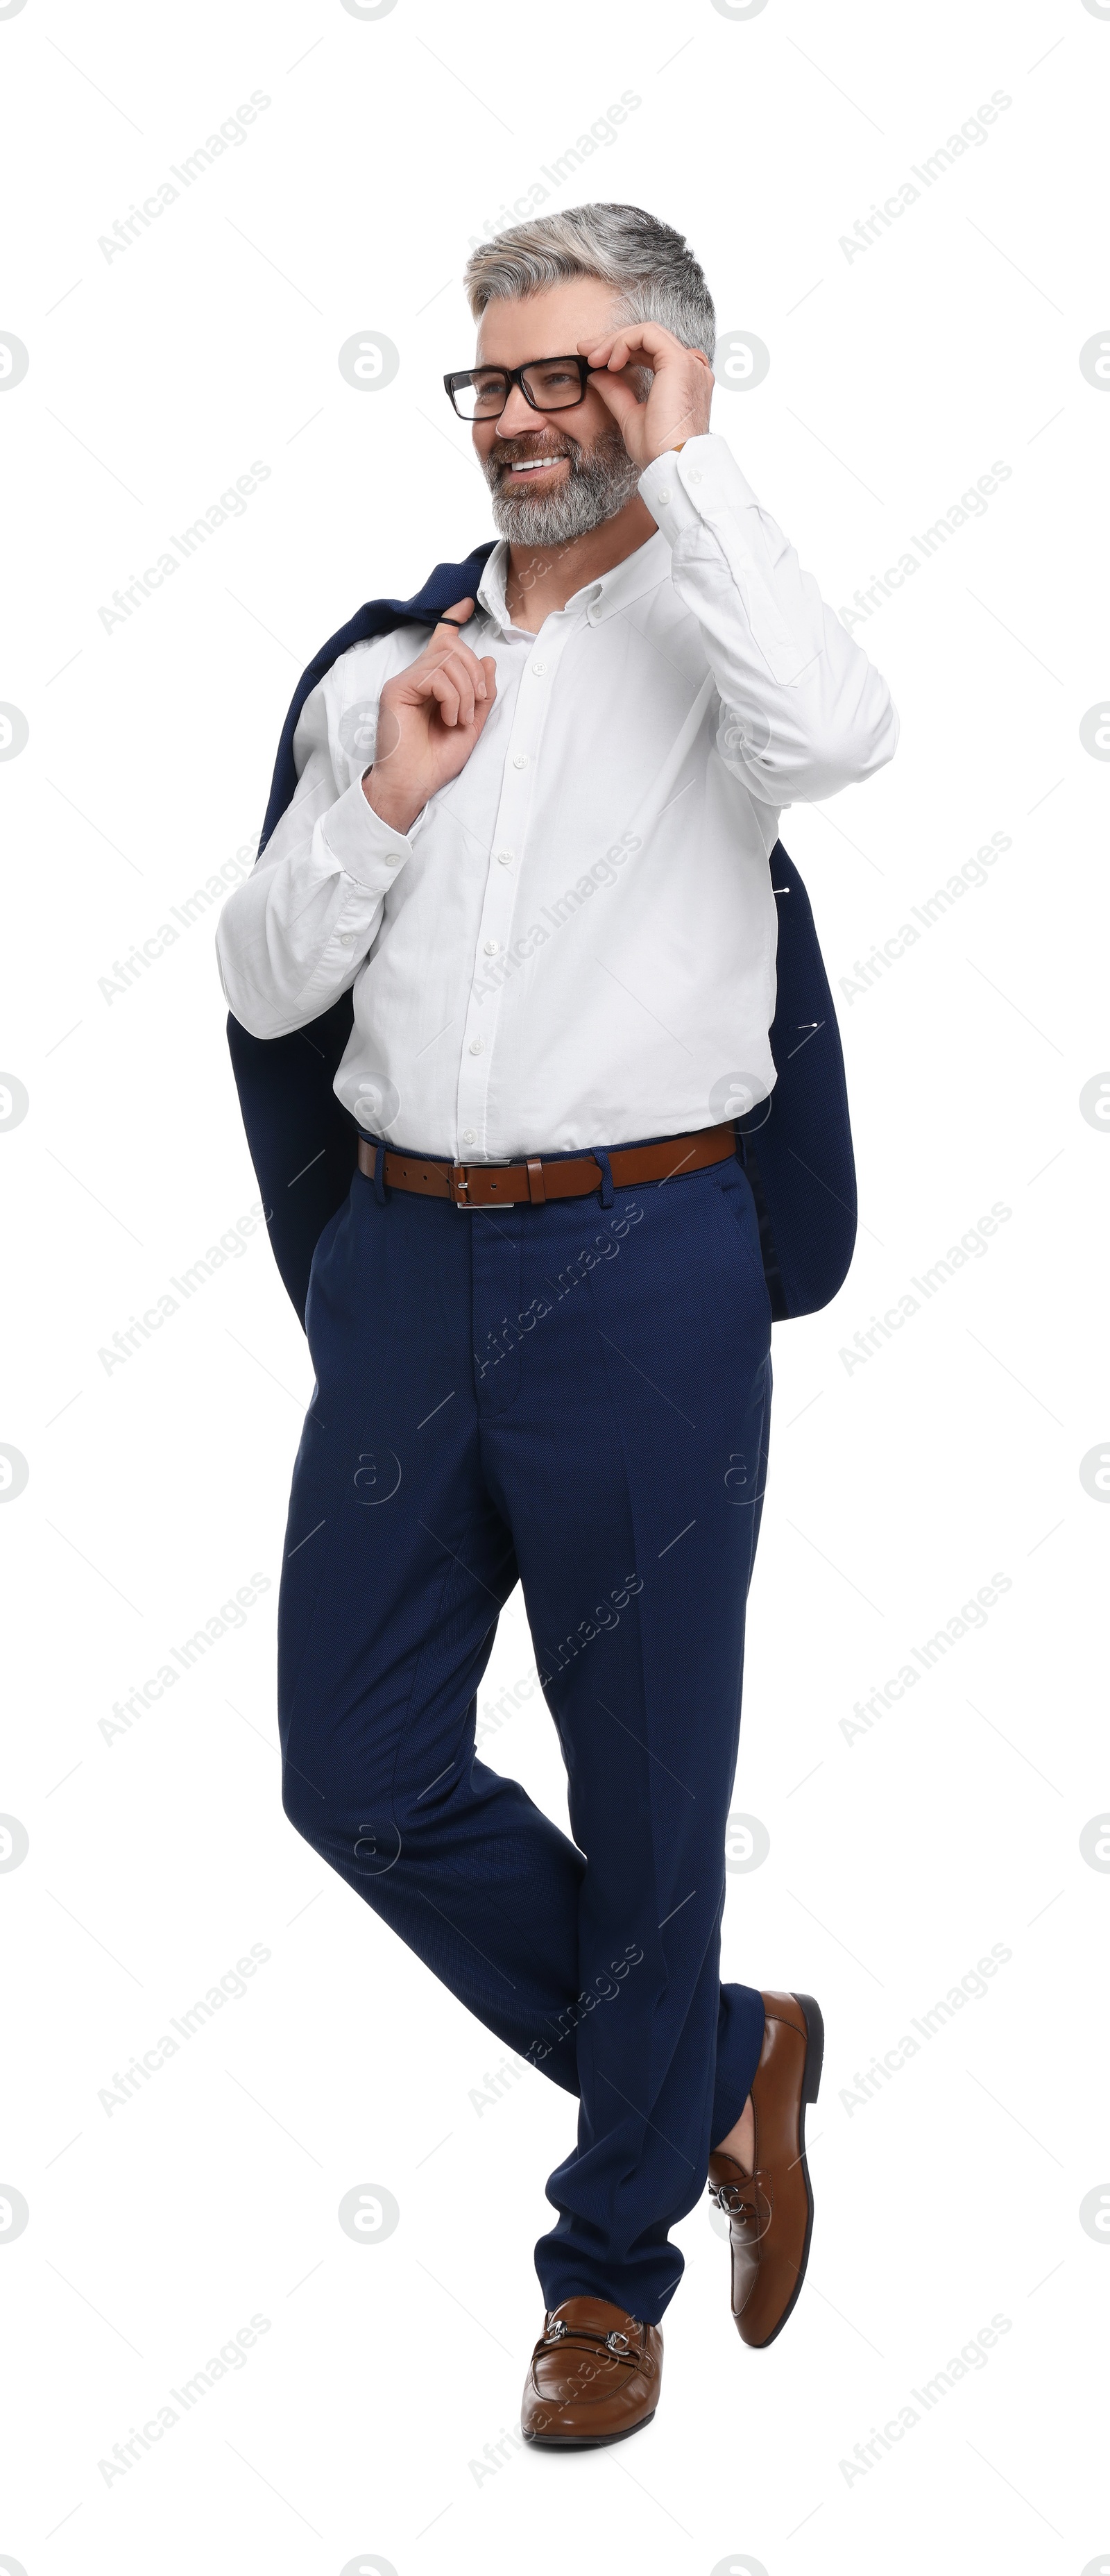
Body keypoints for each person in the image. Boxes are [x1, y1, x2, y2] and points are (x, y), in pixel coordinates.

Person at [216, 203, 898, 2450]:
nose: (526, 418)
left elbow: (847, 728)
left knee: (650, 1784)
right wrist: (387, 794)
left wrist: (687, 470)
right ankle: (723, 2061)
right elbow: (263, 981)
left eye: (579, 375)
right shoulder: (379, 663)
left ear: (668, 382)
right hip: (409, 1272)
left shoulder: (723, 642)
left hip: (652, 1272)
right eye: (495, 379)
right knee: (360, 1770)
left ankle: (605, 2273)